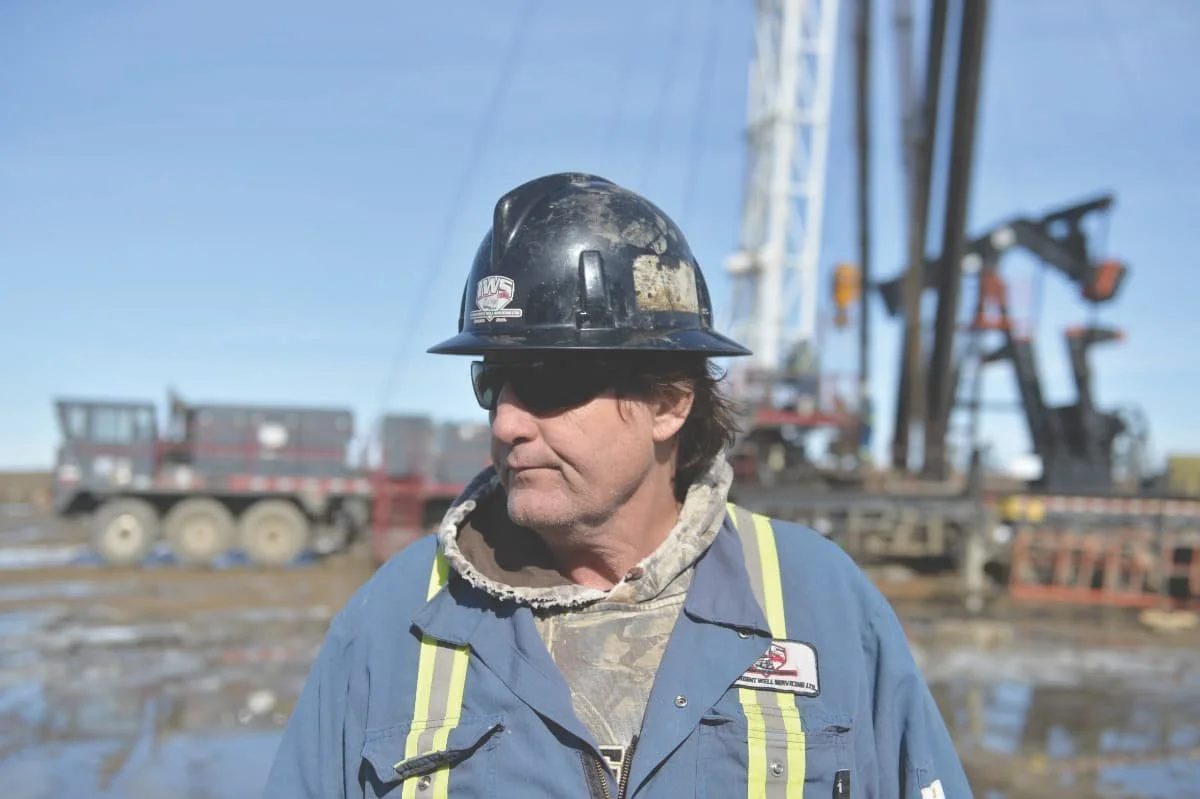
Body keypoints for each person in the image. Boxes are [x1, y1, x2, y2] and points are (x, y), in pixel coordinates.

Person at [264, 173, 973, 798]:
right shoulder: (389, 623)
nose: (507, 421)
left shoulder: (824, 603)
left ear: (669, 402)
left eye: (548, 381)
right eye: (492, 382)